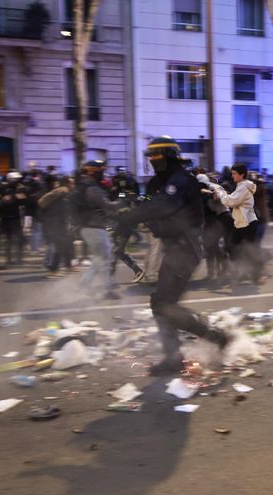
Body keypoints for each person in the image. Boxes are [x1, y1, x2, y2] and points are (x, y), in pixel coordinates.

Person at [118, 136, 227, 375]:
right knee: (163, 304)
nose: (153, 161)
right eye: (151, 157)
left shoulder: (181, 180)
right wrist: (127, 204)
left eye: (157, 157)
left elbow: (165, 205)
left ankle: (207, 341)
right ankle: (196, 346)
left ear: (168, 156)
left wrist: (132, 215)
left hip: (186, 247)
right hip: (174, 246)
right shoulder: (160, 181)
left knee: (162, 303)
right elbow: (151, 201)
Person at [208, 163, 262, 284]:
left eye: (235, 173)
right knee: (233, 248)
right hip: (241, 222)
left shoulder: (243, 187)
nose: (232, 176)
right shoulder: (241, 186)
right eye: (232, 173)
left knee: (246, 249)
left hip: (247, 222)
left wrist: (220, 192)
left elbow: (231, 201)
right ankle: (243, 272)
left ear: (242, 174)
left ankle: (257, 273)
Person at [74, 160, 120, 300]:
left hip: (90, 227)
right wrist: (123, 201)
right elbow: (106, 204)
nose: (103, 174)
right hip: (94, 228)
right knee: (104, 259)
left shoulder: (84, 186)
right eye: (101, 171)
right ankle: (107, 290)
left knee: (99, 258)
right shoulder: (92, 188)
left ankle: (84, 284)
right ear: (94, 172)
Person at [39, 176, 75, 277]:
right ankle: (52, 269)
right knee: (60, 247)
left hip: (57, 224)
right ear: (67, 184)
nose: (73, 185)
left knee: (66, 245)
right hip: (57, 225)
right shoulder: (63, 193)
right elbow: (63, 210)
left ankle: (68, 266)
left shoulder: (61, 193)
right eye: (72, 183)